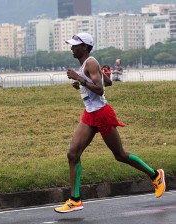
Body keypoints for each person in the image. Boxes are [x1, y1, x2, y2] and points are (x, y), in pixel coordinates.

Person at [54, 32, 165, 213]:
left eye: (75, 45)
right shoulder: (86, 65)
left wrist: (79, 78)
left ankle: (155, 175)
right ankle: (75, 200)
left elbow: (99, 89)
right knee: (72, 154)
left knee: (119, 154)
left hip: (102, 114)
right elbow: (107, 83)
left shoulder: (90, 62)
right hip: (90, 114)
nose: (71, 48)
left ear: (85, 47)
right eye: (71, 44)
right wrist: (82, 82)